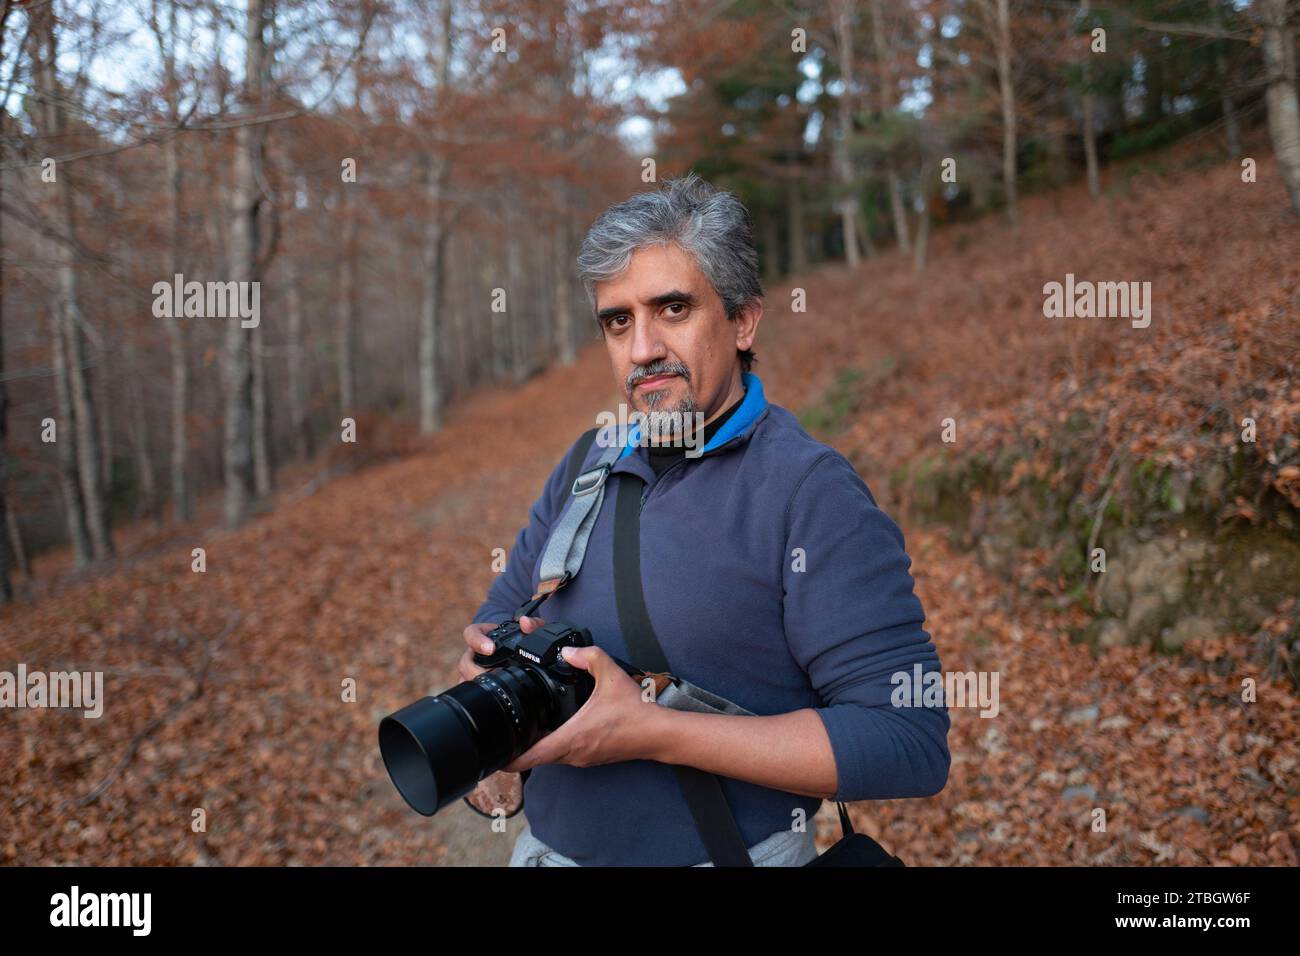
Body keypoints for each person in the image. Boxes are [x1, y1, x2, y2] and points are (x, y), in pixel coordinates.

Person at [459, 173, 950, 867]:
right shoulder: (587, 462)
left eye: (672, 309)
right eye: (618, 320)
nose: (641, 350)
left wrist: (653, 732)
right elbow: (501, 614)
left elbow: (910, 742)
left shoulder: (809, 491)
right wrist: (488, 674)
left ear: (743, 320)